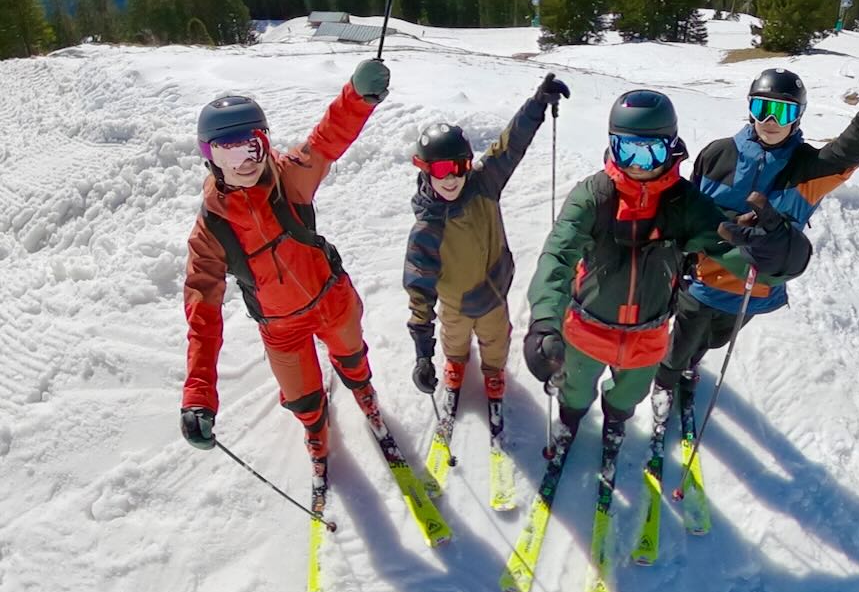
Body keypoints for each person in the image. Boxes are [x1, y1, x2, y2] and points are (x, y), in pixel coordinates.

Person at [523, 89, 811, 451]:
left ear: (671, 147)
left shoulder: (685, 205)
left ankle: (616, 423)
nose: (639, 166)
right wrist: (544, 320)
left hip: (648, 334)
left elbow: (740, 256)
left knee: (628, 395)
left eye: (652, 152)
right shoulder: (594, 197)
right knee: (576, 389)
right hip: (586, 328)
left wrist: (781, 255)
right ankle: (570, 420)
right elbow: (558, 256)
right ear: (612, 145)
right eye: (628, 150)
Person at [179, 58, 391, 494]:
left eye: (252, 146)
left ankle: (363, 393)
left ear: (265, 142)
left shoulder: (289, 178)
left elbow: (326, 141)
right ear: (209, 156)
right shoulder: (212, 231)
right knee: (302, 394)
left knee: (352, 356)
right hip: (281, 328)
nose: (244, 162)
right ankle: (316, 430)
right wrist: (198, 395)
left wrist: (359, 95)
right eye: (228, 151)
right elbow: (203, 314)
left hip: (331, 299)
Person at [651, 60, 859, 412]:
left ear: (797, 117)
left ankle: (688, 368)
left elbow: (848, 151)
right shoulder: (717, 154)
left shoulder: (809, 169)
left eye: (781, 112)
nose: (770, 122)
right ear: (750, 109)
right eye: (761, 109)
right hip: (701, 282)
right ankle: (665, 382)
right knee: (681, 341)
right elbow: (689, 214)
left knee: (712, 340)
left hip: (752, 290)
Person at [404, 73, 571, 404]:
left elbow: (510, 145)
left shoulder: (484, 185)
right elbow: (419, 293)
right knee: (455, 339)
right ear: (425, 170)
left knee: (496, 341)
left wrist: (537, 104)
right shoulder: (427, 229)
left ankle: (493, 372)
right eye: (440, 171)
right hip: (454, 305)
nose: (451, 178)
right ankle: (455, 364)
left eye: (459, 166)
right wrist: (423, 355)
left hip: (495, 293)